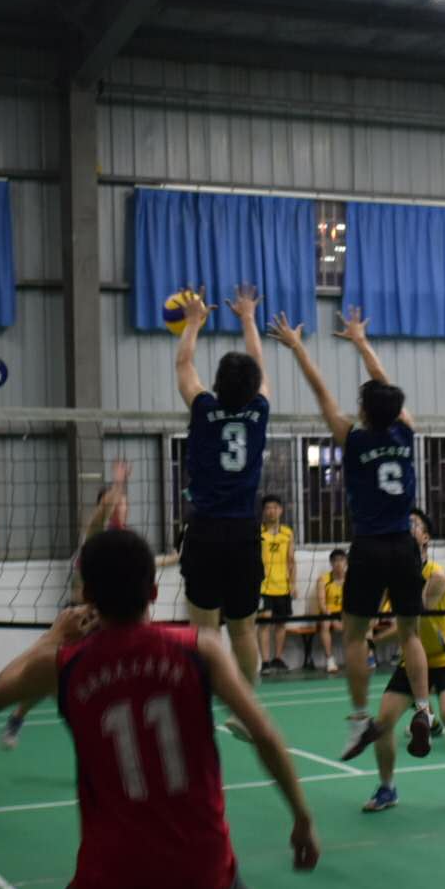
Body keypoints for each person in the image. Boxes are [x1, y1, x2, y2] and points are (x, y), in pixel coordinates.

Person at [0, 529, 326, 889]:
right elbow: (266, 736)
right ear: (154, 591)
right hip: (203, 877)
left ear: (87, 595)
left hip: (110, 885)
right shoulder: (199, 649)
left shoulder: (65, 664)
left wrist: (54, 636)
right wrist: (302, 819)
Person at [268, 306, 433, 762]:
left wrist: (298, 347)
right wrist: (362, 342)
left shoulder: (353, 438)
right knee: (411, 634)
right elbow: (386, 389)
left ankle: (361, 719)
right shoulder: (405, 432)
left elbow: (321, 391)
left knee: (355, 636)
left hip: (369, 548)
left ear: (362, 411)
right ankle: (423, 708)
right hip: (405, 545)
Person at [168, 285, 275, 738]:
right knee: (243, 630)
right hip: (243, 532)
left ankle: (198, 708)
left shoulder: (204, 408)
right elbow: (259, 364)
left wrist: (193, 322)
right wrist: (247, 317)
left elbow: (183, 366)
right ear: (252, 387)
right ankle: (246, 710)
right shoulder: (258, 411)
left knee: (204, 631)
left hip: (205, 531)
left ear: (217, 383)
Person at [2, 459, 147, 750]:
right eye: (117, 503)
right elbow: (101, 515)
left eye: (124, 503)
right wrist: (118, 484)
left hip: (113, 620)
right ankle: (18, 715)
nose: (121, 507)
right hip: (82, 619)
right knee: (54, 673)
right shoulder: (94, 537)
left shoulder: (129, 541)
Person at [364, 510, 445, 811]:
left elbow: (411, 621)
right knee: (382, 723)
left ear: (426, 537)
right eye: (404, 523)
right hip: (413, 662)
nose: (407, 528)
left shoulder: (437, 576)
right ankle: (387, 788)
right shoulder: (394, 576)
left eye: (414, 525)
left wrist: (376, 638)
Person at [258, 495, 297, 674]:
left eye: (275, 507)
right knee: (264, 624)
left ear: (281, 510)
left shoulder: (287, 532)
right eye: (268, 508)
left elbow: (291, 560)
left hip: (283, 586)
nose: (271, 511)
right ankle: (265, 663)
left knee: (281, 624)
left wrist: (293, 584)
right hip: (263, 587)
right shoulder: (258, 532)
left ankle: (278, 659)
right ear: (264, 511)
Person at [313, 550, 347, 674]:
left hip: (345, 614)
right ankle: (330, 660)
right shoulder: (323, 580)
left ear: (346, 562)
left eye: (341, 560)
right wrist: (333, 619)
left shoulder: (352, 579)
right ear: (331, 563)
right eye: (335, 561)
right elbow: (322, 604)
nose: (338, 564)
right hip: (328, 613)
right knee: (325, 623)